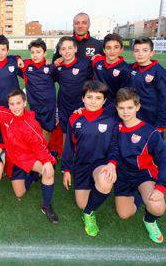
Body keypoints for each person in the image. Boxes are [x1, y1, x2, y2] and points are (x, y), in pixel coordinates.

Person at [0, 89, 58, 223]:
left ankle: (46, 205)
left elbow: (39, 145)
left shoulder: (31, 124)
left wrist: (46, 161)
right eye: (12, 104)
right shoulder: (5, 114)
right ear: (8, 105)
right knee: (20, 193)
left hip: (29, 157)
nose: (15, 107)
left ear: (24, 103)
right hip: (13, 159)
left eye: (18, 103)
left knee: (48, 172)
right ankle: (34, 175)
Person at [114, 88, 166, 244]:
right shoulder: (114, 127)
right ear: (116, 108)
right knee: (124, 214)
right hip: (122, 176)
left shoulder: (150, 132)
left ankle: (150, 220)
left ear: (138, 107)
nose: (125, 112)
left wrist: (161, 187)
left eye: (130, 107)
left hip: (143, 175)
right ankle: (139, 196)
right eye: (121, 108)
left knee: (157, 207)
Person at [61, 81, 119, 237]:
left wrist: (112, 164)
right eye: (90, 97)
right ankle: (88, 203)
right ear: (83, 99)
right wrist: (66, 170)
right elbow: (69, 147)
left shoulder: (111, 119)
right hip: (80, 166)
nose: (93, 101)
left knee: (105, 181)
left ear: (105, 100)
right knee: (81, 203)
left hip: (100, 164)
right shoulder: (75, 118)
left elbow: (114, 146)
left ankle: (88, 213)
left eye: (98, 98)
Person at [53, 36, 93, 144]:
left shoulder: (85, 64)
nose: (67, 51)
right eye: (63, 49)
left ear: (75, 49)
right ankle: (67, 156)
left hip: (80, 104)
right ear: (60, 51)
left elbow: (91, 83)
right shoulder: (57, 67)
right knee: (65, 130)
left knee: (81, 130)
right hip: (63, 104)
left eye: (70, 48)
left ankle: (80, 155)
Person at [129, 37, 166, 133]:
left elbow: (165, 98)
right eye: (136, 50)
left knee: (153, 147)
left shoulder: (159, 72)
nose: (140, 53)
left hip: (151, 119)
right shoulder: (131, 68)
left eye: (145, 50)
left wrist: (162, 123)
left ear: (152, 53)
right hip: (133, 117)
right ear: (133, 53)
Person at [21, 38, 56, 143]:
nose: (35, 55)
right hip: (34, 105)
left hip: (48, 105)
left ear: (44, 53)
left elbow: (56, 78)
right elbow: (12, 61)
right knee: (35, 128)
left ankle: (46, 151)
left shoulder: (51, 67)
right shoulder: (26, 66)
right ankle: (38, 151)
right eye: (32, 52)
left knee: (47, 129)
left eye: (38, 52)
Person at [92, 33, 131, 104]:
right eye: (108, 48)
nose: (112, 51)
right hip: (97, 104)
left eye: (116, 47)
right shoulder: (97, 63)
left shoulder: (126, 69)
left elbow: (125, 94)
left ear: (121, 49)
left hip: (114, 106)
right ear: (104, 50)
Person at [0, 34, 21, 108]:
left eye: (3, 50)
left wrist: (18, 58)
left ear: (7, 51)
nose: (0, 53)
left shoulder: (14, 62)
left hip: (14, 106)